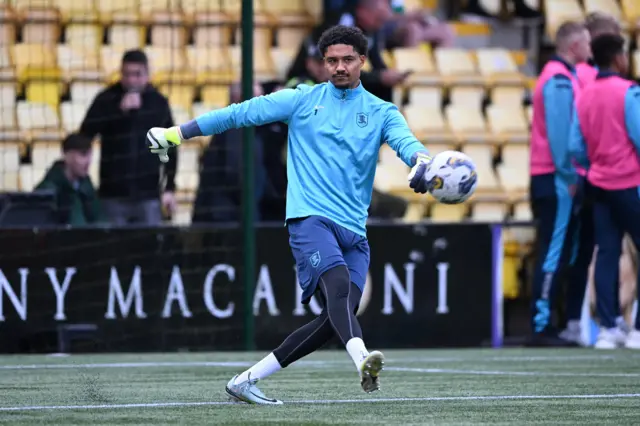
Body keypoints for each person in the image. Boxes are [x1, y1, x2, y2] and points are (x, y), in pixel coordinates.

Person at [146, 25, 435, 403]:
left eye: (347, 59)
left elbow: (408, 145)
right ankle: (362, 358)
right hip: (309, 219)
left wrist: (423, 164)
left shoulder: (382, 112)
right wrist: (176, 134)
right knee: (337, 287)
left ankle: (244, 381)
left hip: (354, 231)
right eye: (331, 60)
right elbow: (239, 114)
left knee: (335, 320)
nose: (340, 67)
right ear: (322, 64)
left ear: (362, 61)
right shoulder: (302, 99)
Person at [568, 34, 640, 350]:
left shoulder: (583, 95)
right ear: (618, 58)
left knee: (607, 253)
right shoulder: (629, 92)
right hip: (629, 183)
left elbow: (574, 146)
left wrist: (595, 162)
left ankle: (609, 328)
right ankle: (637, 329)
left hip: (598, 183)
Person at [559, 12, 623, 346]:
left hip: (592, 176)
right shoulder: (607, 83)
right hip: (616, 179)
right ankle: (618, 324)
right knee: (593, 251)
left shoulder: (583, 80)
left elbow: (575, 138)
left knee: (597, 251)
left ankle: (603, 324)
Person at [528, 21, 591, 345]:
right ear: (573, 45)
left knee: (560, 250)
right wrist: (569, 175)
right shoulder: (559, 80)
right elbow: (560, 135)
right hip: (555, 177)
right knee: (553, 252)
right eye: (586, 42)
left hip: (554, 175)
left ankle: (550, 322)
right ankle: (540, 325)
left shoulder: (562, 77)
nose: (590, 49)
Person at [80, 49, 177, 226]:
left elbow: (171, 147)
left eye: (137, 74)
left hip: (148, 195)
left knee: (149, 247)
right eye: (126, 74)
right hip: (113, 195)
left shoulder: (158, 102)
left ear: (147, 74)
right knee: (114, 250)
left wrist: (169, 187)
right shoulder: (106, 99)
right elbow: (84, 135)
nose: (131, 80)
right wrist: (118, 112)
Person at [287, 0, 408, 102]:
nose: (380, 25)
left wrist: (389, 76)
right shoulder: (340, 27)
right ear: (362, 12)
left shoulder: (371, 29)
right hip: (308, 81)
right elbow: (332, 72)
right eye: (379, 19)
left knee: (382, 87)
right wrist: (379, 77)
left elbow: (377, 64)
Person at [192, 81, 269, 223]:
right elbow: (237, 177)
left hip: (231, 215)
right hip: (231, 218)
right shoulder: (234, 133)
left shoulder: (237, 130)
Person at [35, 133, 105, 226]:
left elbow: (101, 220)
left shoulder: (87, 188)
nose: (88, 161)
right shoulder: (48, 190)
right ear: (66, 155)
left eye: (90, 155)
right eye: (83, 154)